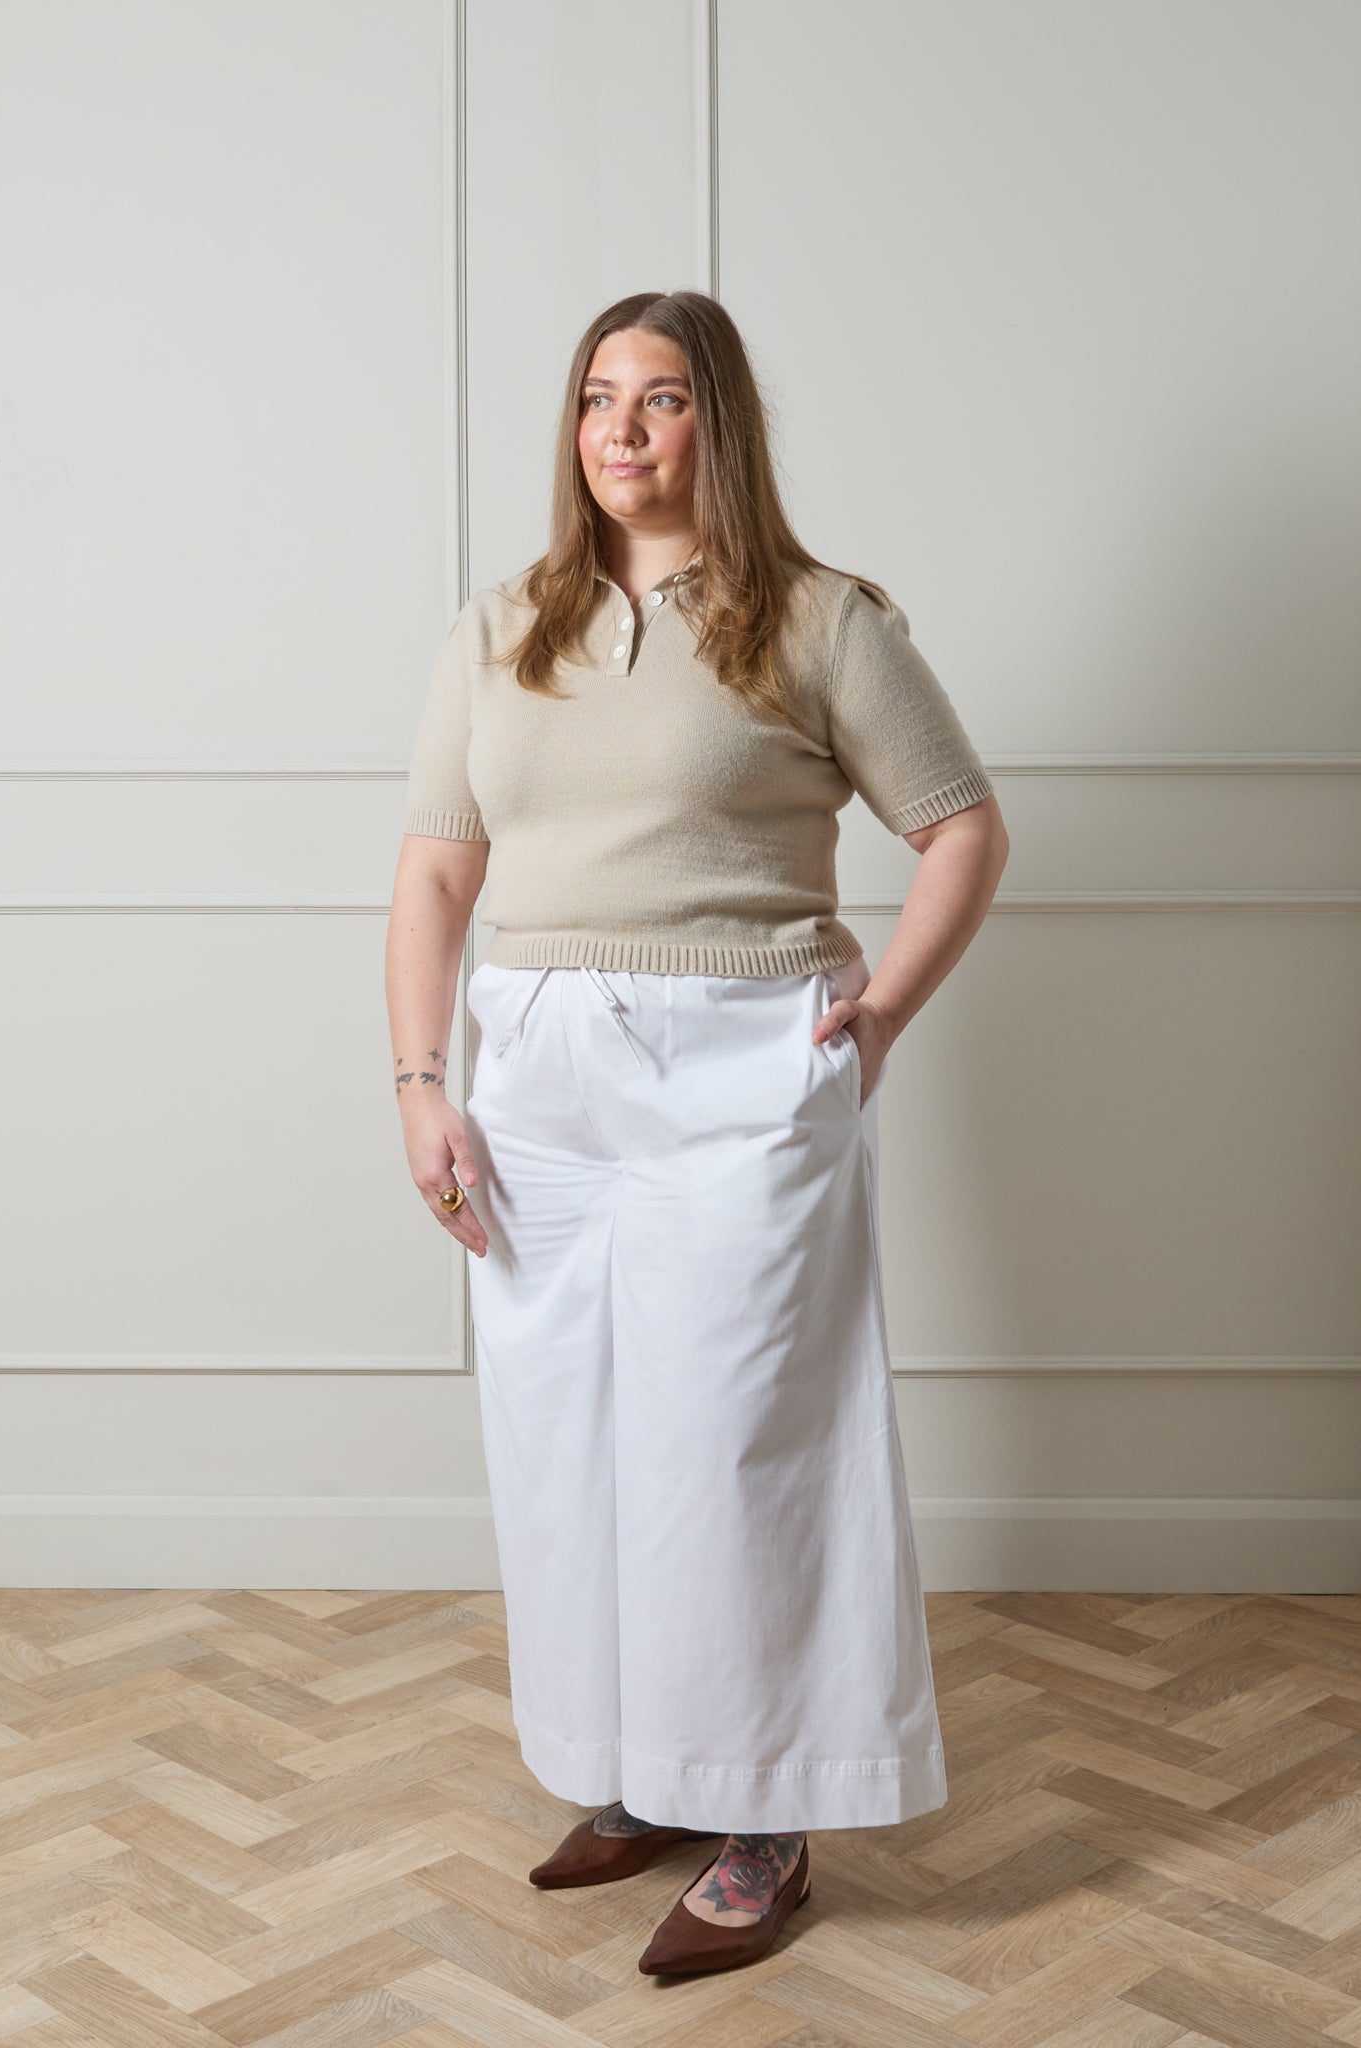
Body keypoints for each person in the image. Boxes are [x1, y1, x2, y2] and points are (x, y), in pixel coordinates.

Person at [384, 290, 1009, 1977]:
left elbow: (962, 828)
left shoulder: (818, 619)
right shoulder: (501, 627)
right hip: (535, 1086)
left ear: (718, 424)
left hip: (739, 1072)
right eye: (599, 396)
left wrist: (882, 1016)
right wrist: (422, 1083)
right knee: (569, 1441)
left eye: (661, 398)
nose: (622, 429)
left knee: (732, 1449)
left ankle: (766, 1823)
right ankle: (638, 1771)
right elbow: (436, 875)